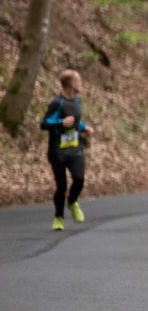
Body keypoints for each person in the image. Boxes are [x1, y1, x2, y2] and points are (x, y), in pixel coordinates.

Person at [40, 69, 94, 231]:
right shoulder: (57, 103)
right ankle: (59, 217)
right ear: (71, 84)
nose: (81, 84)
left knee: (79, 179)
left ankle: (72, 202)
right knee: (61, 186)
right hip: (57, 152)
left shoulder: (77, 100)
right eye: (79, 81)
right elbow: (44, 124)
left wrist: (85, 127)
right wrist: (61, 123)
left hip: (75, 149)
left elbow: (76, 121)